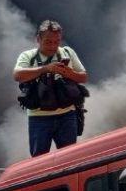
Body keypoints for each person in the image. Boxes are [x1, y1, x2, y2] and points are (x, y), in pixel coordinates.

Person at [13, 19, 88, 156]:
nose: (53, 46)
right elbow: (18, 75)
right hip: (39, 118)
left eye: (56, 41)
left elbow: (83, 77)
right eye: (48, 41)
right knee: (39, 161)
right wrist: (45, 69)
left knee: (69, 159)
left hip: (67, 116)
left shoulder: (67, 53)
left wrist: (67, 73)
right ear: (38, 39)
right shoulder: (28, 56)